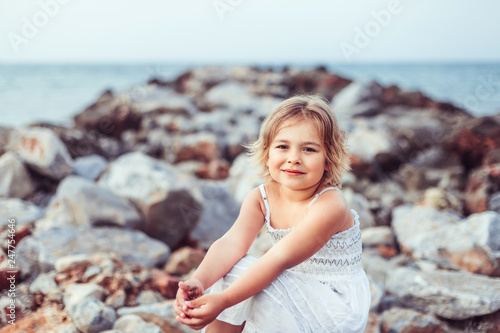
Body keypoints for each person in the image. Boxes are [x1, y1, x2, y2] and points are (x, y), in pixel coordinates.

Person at [174, 95, 371, 332]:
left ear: (328, 159)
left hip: (335, 306)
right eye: (282, 146)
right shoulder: (261, 198)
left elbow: (279, 259)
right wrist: (200, 281)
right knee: (235, 269)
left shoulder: (330, 204)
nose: (294, 158)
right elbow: (231, 243)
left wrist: (223, 300)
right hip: (294, 287)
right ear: (267, 154)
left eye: (309, 149)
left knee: (245, 274)